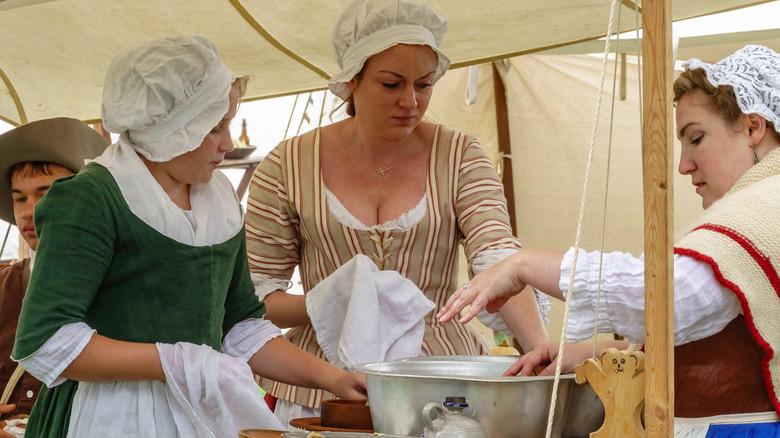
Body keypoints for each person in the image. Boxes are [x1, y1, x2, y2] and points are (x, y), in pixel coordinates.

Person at [11, 35, 365, 438]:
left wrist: (334, 380)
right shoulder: (93, 197)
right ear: (169, 127)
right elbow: (48, 339)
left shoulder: (219, 201)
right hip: (109, 416)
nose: (228, 145)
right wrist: (180, 363)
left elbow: (240, 325)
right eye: (214, 128)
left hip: (202, 411)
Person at [439, 45, 780, 427]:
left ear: (753, 127)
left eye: (696, 137)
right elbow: (712, 336)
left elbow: (668, 302)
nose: (684, 165)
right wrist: (594, 352)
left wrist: (526, 264)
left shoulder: (769, 204)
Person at [245, 0, 549, 426]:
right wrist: (333, 302)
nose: (411, 101)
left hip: (442, 382)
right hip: (324, 389)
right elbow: (255, 297)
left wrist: (539, 348)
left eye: (424, 85)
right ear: (351, 79)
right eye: (391, 84)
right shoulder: (287, 165)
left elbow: (499, 260)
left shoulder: (460, 155)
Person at [0, 118, 109, 438]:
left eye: (46, 193)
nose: (27, 211)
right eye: (20, 197)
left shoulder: (124, 288)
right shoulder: (3, 289)